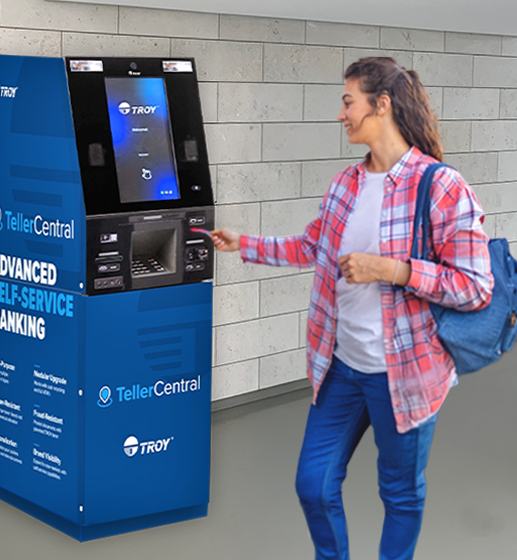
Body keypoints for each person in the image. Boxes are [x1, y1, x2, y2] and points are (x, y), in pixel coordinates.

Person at [204, 57, 492, 560]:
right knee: (313, 485)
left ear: (380, 106)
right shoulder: (346, 184)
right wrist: (242, 243)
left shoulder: (442, 187)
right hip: (342, 366)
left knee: (400, 494)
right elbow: (311, 248)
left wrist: (393, 270)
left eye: (347, 101)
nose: (341, 114)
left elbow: (474, 287)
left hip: (403, 374)